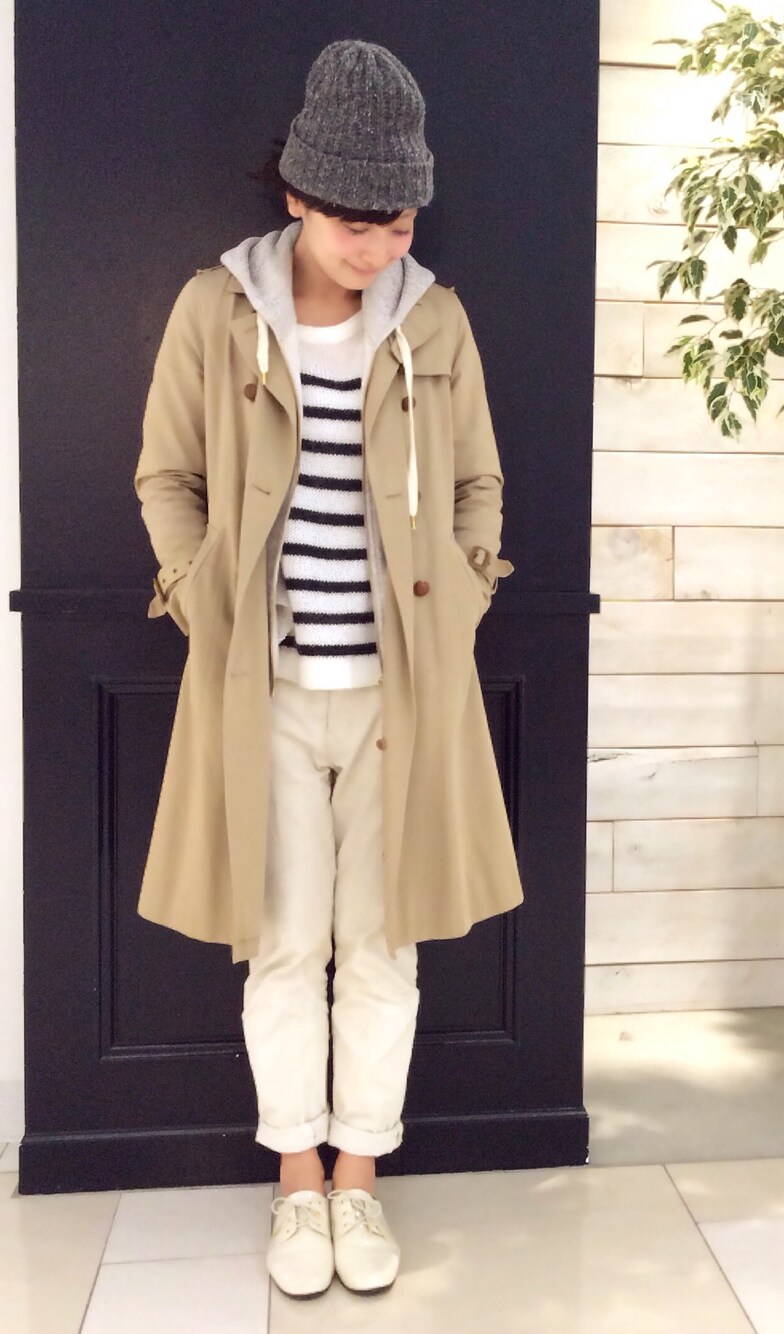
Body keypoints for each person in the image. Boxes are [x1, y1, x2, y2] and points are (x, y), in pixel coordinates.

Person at [133, 38, 522, 1300]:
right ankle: (296, 1179)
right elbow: (167, 475)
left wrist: (461, 598)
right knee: (286, 942)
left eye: (399, 222)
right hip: (268, 692)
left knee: (386, 943)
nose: (380, 246)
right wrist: (200, 601)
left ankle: (361, 1174)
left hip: (405, 695)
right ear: (298, 193)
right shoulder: (217, 310)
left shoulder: (435, 317)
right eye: (359, 221)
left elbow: (476, 481)